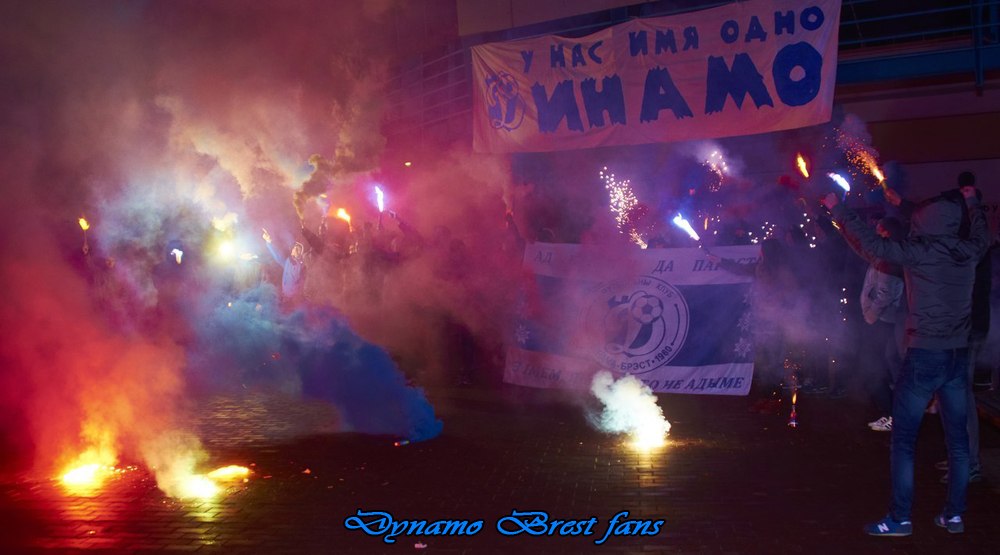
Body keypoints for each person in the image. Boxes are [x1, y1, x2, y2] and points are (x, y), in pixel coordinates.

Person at [821, 183, 989, 537]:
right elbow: (981, 230)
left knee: (903, 441)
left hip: (925, 355)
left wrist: (838, 209)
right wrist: (973, 203)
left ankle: (900, 519)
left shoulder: (918, 251)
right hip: (957, 356)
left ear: (924, 221)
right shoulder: (971, 249)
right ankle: (954, 516)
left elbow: (872, 244)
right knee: (958, 443)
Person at [859, 217, 906, 432]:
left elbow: (886, 292)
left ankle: (892, 414)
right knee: (881, 363)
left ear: (888, 233)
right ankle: (891, 413)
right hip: (881, 319)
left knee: (874, 365)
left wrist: (871, 314)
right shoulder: (884, 255)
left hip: (882, 320)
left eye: (879, 230)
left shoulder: (890, 259)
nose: (875, 233)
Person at [262, 228, 306, 304]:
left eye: (298, 249)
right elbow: (278, 256)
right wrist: (269, 242)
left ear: (300, 253)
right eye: (294, 248)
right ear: (292, 250)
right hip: (285, 296)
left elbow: (302, 283)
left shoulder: (301, 266)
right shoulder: (288, 261)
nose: (295, 250)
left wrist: (296, 299)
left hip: (294, 300)